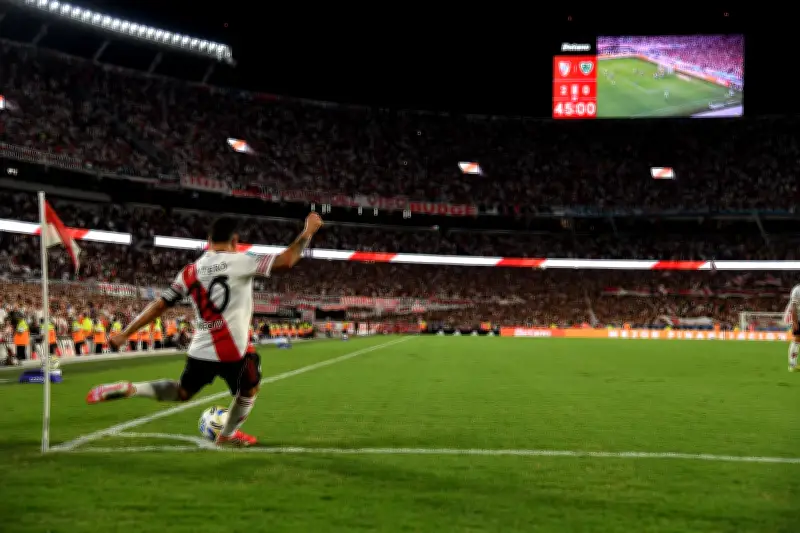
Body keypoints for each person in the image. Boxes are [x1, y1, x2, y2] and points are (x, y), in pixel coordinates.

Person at [85, 212, 323, 446]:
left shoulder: (190, 271)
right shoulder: (243, 260)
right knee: (249, 390)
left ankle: (133, 388)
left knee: (182, 392)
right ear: (235, 241)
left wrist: (125, 333)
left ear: (209, 242)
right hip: (233, 351)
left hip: (200, 349)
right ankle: (227, 435)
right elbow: (289, 259)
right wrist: (308, 230)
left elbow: (159, 306)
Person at [784, 284, 800, 372]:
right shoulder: (797, 290)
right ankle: (792, 365)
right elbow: (793, 307)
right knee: (797, 339)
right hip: (797, 317)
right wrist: (795, 321)